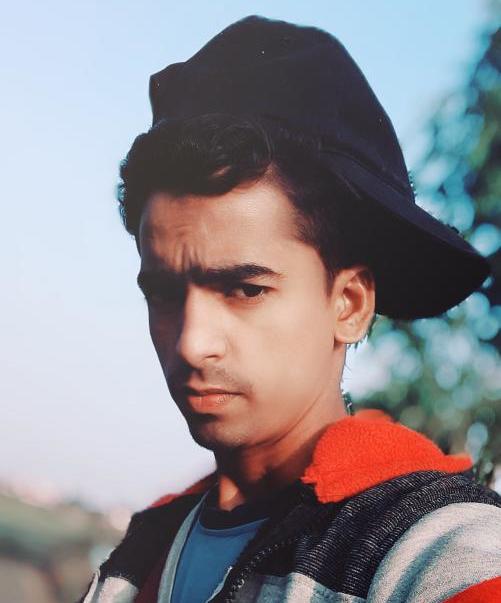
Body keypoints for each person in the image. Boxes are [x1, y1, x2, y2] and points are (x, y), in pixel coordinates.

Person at [79, 15, 501, 603]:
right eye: (165, 293)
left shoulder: (436, 555)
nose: (192, 342)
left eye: (246, 289)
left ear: (349, 304)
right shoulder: (144, 550)